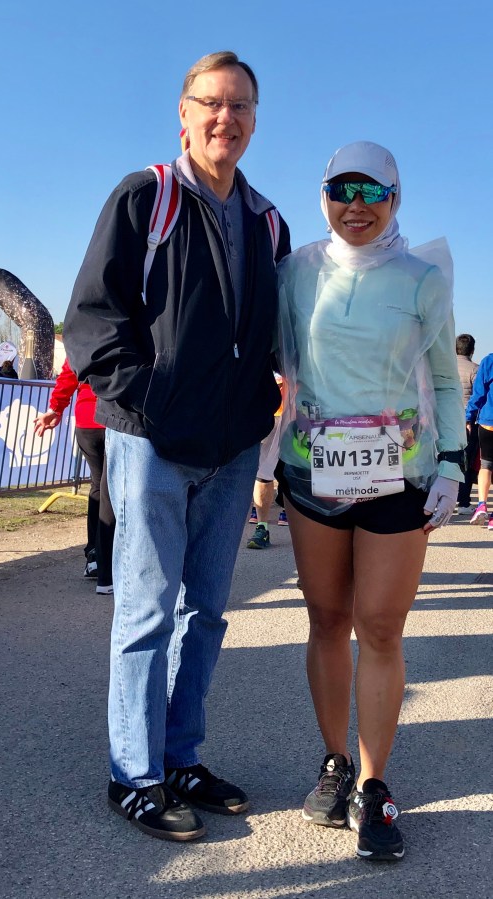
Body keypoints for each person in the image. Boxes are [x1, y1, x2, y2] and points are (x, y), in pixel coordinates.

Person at [63, 50, 290, 841]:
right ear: (184, 115)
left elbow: (277, 336)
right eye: (211, 103)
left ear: (254, 121)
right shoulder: (146, 196)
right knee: (146, 608)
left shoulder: (267, 221)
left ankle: (180, 755)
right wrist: (151, 399)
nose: (225, 117)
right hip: (152, 441)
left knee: (205, 613)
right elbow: (91, 317)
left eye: (240, 105)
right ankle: (134, 773)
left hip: (231, 447)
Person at [276, 141, 465, 861]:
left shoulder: (422, 277)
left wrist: (451, 463)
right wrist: (258, 462)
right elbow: (275, 365)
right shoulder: (294, 272)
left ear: (395, 197)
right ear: (323, 196)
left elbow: (442, 379)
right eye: (340, 190)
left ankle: (375, 783)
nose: (355, 206)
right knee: (326, 618)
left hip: (400, 474)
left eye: (372, 192)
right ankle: (335, 763)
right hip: (313, 472)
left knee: (380, 626)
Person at [33, 357, 115, 593]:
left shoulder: (82, 338)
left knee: (99, 486)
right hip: (113, 418)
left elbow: (69, 373)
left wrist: (55, 408)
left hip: (87, 420)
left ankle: (94, 557)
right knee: (110, 490)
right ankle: (108, 568)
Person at [247, 373, 288, 548]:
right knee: (263, 471)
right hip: (268, 408)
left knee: (298, 468)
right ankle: (262, 527)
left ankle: (287, 511)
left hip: (296, 407)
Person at [466, 351, 493, 528]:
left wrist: (469, 416)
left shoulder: (489, 361)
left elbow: (478, 393)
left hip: (488, 422)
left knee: (486, 465)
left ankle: (482, 505)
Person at [455, 334, 479, 512]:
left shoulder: (445, 368)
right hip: (467, 421)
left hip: (445, 420)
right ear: (472, 350)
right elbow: (478, 397)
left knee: (445, 460)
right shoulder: (475, 369)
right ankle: (463, 502)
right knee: (466, 462)